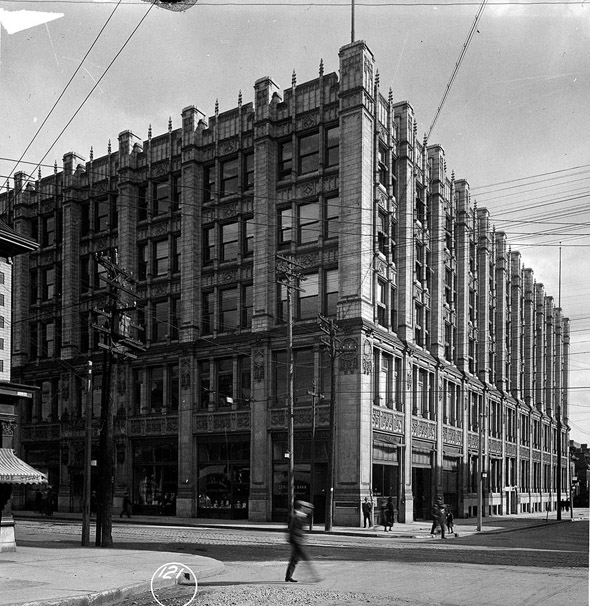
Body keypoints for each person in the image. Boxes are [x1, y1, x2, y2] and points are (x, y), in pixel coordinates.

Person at [285, 500, 320, 583]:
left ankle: (288, 577)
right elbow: (292, 529)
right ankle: (314, 577)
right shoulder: (294, 516)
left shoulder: (300, 515)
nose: (307, 509)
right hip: (296, 541)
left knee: (294, 559)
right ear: (301, 507)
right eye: (305, 507)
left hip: (298, 540)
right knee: (306, 558)